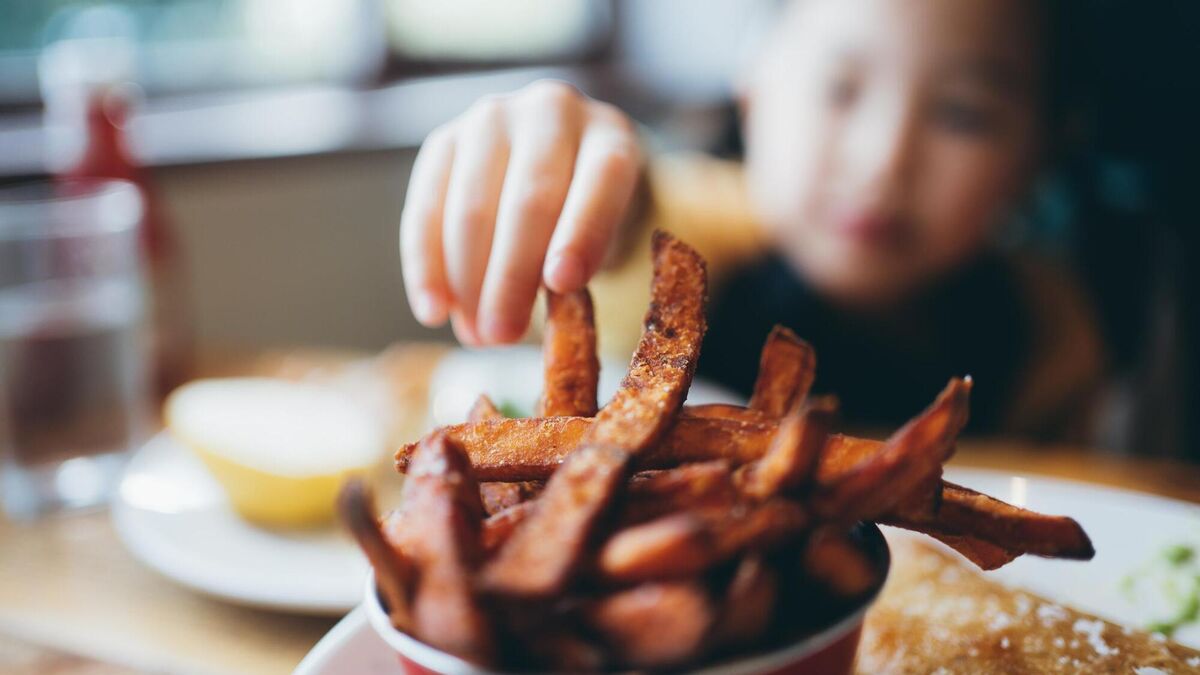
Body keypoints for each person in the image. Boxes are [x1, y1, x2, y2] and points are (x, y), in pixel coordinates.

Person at [398, 0, 1104, 436]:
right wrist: (578, 169)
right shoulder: (698, 231)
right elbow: (629, 219)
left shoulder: (1055, 331)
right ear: (754, 88)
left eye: (964, 114)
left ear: (1039, 154)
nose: (883, 160)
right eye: (840, 87)